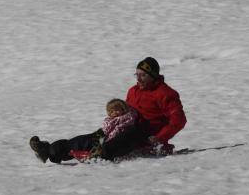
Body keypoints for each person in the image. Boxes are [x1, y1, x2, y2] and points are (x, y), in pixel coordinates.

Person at [30, 57, 187, 163]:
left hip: (144, 133)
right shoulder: (133, 90)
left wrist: (159, 137)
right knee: (92, 137)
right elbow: (127, 110)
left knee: (125, 137)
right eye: (137, 74)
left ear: (153, 76)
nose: (138, 79)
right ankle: (51, 150)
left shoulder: (166, 94)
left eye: (143, 76)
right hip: (122, 126)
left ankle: (101, 153)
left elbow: (179, 120)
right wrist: (115, 114)